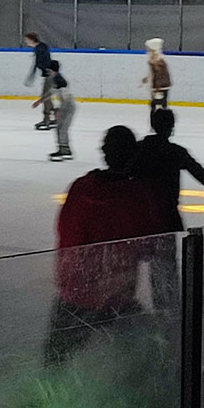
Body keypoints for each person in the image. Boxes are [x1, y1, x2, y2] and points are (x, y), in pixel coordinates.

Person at [46, 126, 165, 365]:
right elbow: (148, 247)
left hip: (76, 293)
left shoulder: (81, 188)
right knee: (138, 358)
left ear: (104, 151)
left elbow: (65, 231)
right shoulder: (136, 195)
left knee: (56, 359)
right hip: (117, 297)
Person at [131, 108, 204, 308]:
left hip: (142, 216)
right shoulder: (175, 152)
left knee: (135, 261)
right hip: (167, 216)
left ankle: (141, 302)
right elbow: (196, 169)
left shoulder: (139, 149)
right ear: (171, 127)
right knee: (166, 262)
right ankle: (167, 304)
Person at [30, 59, 75, 161]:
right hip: (66, 106)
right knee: (60, 128)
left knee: (62, 128)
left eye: (49, 71)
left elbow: (66, 98)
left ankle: (64, 150)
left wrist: (58, 110)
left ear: (53, 70)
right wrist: (39, 101)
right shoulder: (55, 79)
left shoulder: (60, 81)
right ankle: (64, 149)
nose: (48, 73)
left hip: (68, 107)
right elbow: (51, 92)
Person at [24, 31, 55, 130]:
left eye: (27, 40)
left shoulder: (40, 48)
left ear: (32, 40)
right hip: (50, 74)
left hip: (49, 75)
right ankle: (54, 117)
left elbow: (42, 62)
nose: (26, 42)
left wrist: (44, 70)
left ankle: (47, 119)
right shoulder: (42, 46)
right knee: (47, 97)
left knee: (45, 97)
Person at [139, 38, 171, 130]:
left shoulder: (157, 61)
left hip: (159, 86)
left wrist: (157, 87)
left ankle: (157, 125)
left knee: (157, 106)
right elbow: (153, 72)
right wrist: (147, 78)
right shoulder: (157, 60)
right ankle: (160, 125)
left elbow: (159, 73)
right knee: (159, 105)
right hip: (160, 86)